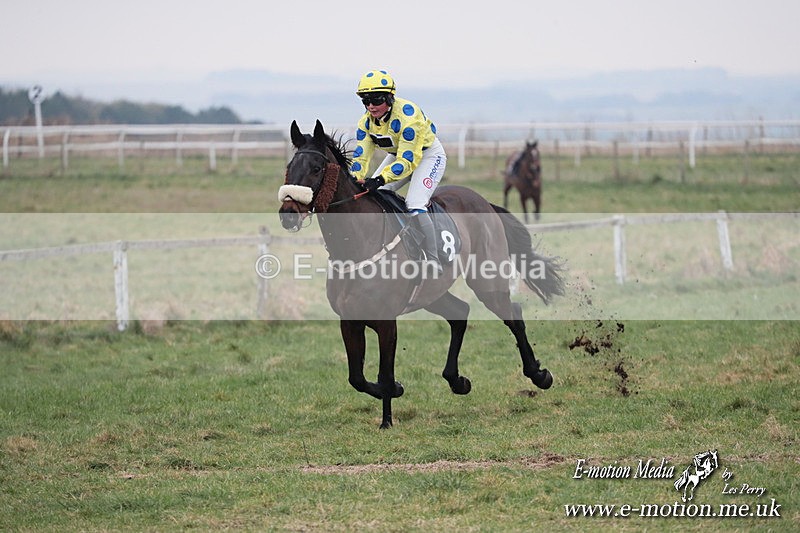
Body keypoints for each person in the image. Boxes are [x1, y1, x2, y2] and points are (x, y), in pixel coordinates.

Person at [350, 69, 446, 273]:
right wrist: (355, 179)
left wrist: (380, 179)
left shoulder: (409, 117)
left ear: (389, 97)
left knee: (415, 203)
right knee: (373, 194)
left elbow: (408, 162)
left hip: (427, 156)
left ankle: (433, 258)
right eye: (365, 101)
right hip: (399, 154)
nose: (370, 106)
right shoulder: (366, 122)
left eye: (376, 100)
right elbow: (361, 157)